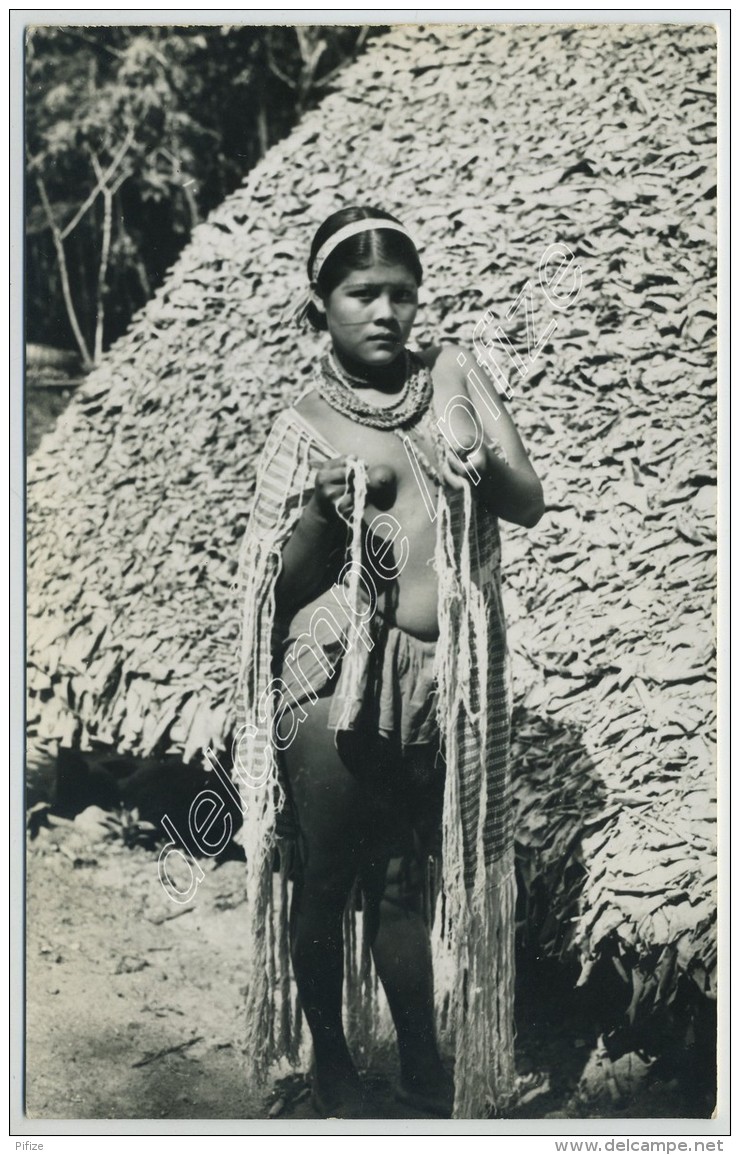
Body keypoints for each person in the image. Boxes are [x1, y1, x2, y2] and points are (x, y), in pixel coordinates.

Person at [235, 206, 545, 1119]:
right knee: (329, 872)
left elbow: (527, 501)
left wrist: (473, 453)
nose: (385, 312)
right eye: (361, 294)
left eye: (401, 294)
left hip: (434, 670)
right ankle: (331, 1057)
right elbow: (277, 590)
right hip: (333, 671)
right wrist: (327, 515)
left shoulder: (452, 374)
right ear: (319, 307)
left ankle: (418, 1060)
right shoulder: (305, 424)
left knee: (406, 875)